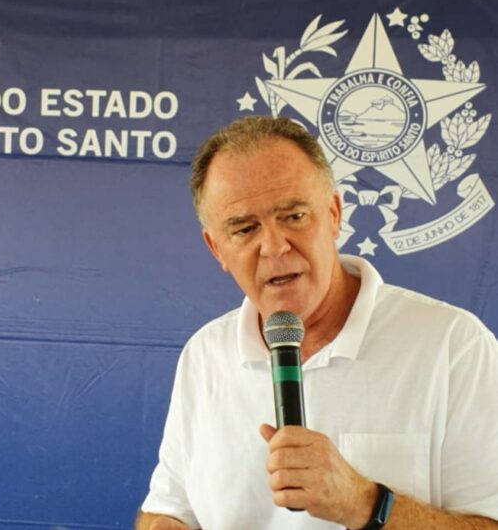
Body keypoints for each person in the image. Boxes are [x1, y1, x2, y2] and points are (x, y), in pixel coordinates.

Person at [135, 116, 498, 529]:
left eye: (294, 216)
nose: (274, 246)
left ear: (334, 214)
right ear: (216, 248)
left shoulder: (453, 345)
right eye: (245, 229)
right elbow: (169, 506)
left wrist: (366, 502)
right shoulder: (204, 354)